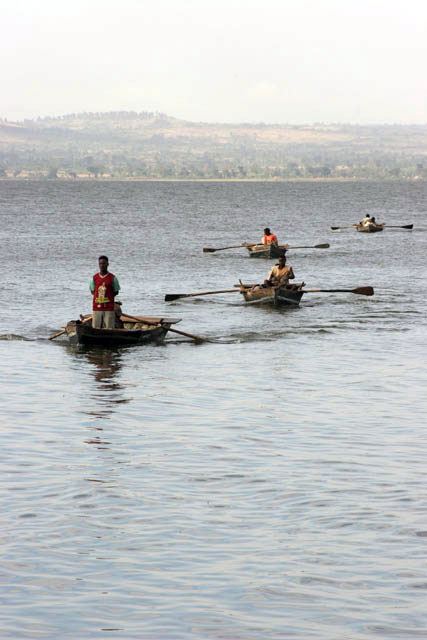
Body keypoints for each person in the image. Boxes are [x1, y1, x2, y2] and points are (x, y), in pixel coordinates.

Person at [90, 255, 120, 328]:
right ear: (98, 265)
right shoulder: (94, 278)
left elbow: (116, 291)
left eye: (104, 263)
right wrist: (99, 298)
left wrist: (108, 297)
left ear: (107, 264)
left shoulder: (113, 278)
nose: (102, 265)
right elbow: (92, 291)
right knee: (95, 327)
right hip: (97, 307)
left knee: (109, 327)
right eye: (100, 263)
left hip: (109, 308)